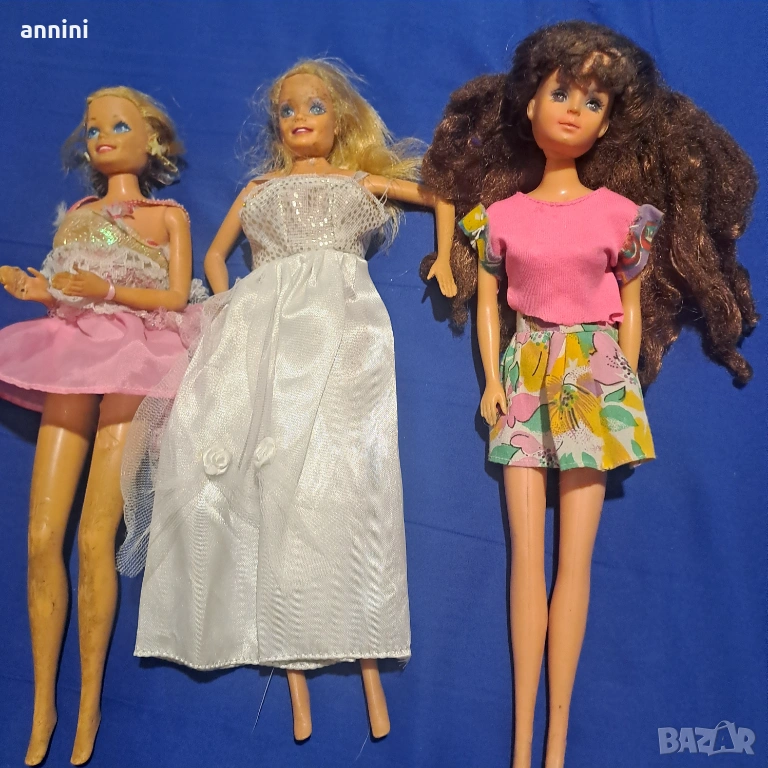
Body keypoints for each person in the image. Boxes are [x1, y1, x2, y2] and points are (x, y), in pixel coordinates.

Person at [419, 21, 757, 768]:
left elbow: (630, 306)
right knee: (525, 558)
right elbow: (488, 305)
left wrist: (623, 385)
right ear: (530, 102)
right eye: (561, 92)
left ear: (609, 122)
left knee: (575, 560)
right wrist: (492, 382)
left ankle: (558, 744)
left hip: (593, 373)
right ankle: (520, 743)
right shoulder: (498, 218)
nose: (574, 109)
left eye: (593, 100)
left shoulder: (621, 216)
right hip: (524, 370)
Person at [120, 59, 456, 741]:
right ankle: (294, 681)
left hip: (344, 335)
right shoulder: (260, 189)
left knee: (350, 480)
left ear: (340, 119)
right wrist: (227, 310)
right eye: (288, 110)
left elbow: (440, 200)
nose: (301, 120)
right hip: (265, 333)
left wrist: (447, 260)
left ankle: (369, 667)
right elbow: (214, 258)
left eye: (315, 108)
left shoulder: (357, 183)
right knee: (266, 479)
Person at [0, 86, 200, 765]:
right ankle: (43, 704)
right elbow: (62, 293)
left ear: (153, 142)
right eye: (93, 129)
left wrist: (108, 291)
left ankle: (87, 706)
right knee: (40, 536)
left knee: (95, 536)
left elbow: (175, 296)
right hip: (72, 351)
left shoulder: (167, 216)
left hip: (136, 355)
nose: (103, 137)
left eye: (118, 125)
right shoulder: (79, 216)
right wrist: (38, 289)